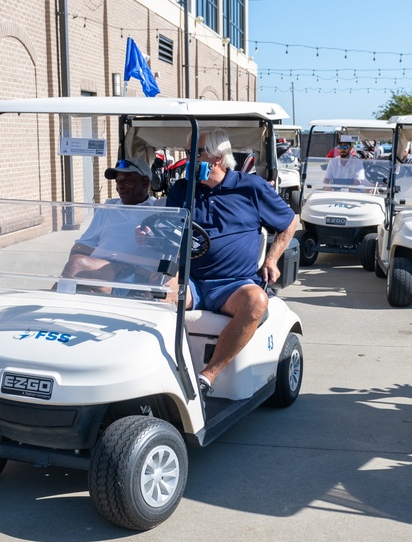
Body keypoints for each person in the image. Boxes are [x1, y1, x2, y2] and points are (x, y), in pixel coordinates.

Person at [165, 128, 298, 395]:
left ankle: (207, 376)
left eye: (196, 153)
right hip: (191, 278)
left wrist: (271, 259)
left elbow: (290, 221)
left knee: (256, 301)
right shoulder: (182, 188)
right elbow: (169, 229)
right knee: (155, 294)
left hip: (233, 285)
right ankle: (161, 370)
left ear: (217, 157)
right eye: (188, 152)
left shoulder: (251, 187)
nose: (189, 159)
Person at [61, 156, 163, 284]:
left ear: (144, 181)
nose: (119, 186)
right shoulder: (108, 208)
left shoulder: (161, 209)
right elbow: (82, 246)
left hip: (137, 272)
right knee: (76, 266)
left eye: (126, 180)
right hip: (101, 267)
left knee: (78, 264)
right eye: (118, 181)